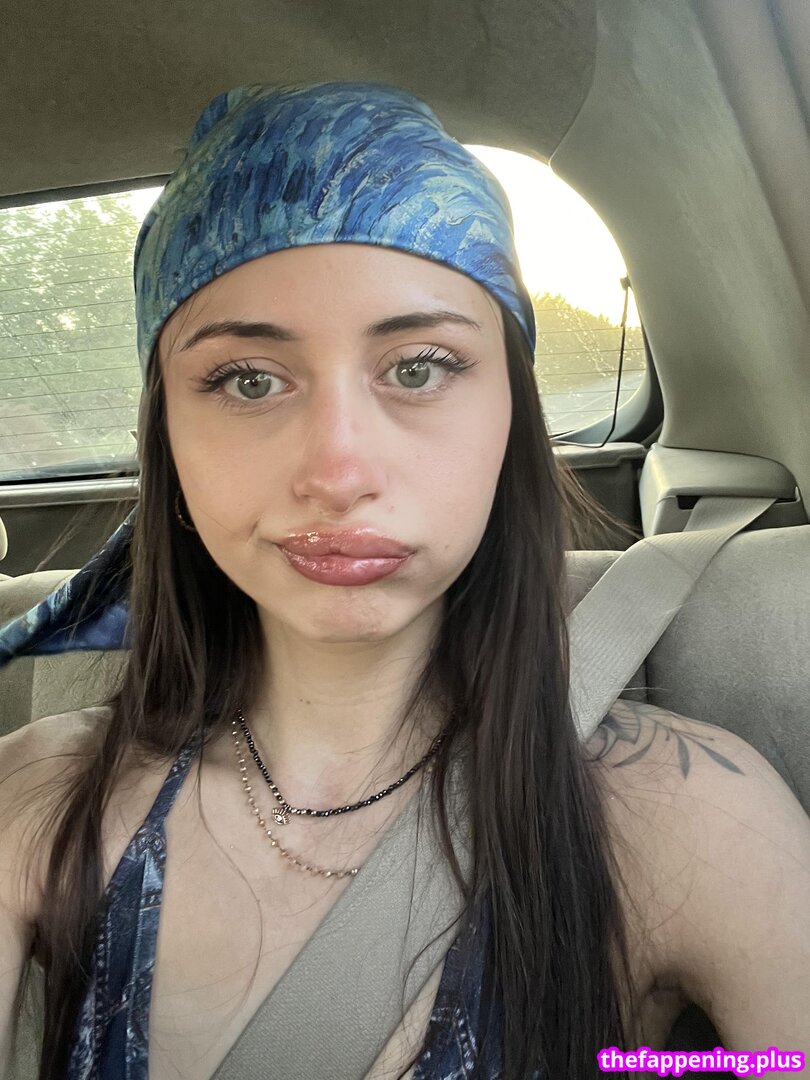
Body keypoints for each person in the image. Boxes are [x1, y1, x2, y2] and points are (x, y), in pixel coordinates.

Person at [0, 82, 808, 1080]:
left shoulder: (690, 821)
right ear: (167, 434)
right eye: (249, 380)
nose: (339, 470)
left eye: (419, 368)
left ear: (511, 414)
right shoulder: (36, 805)